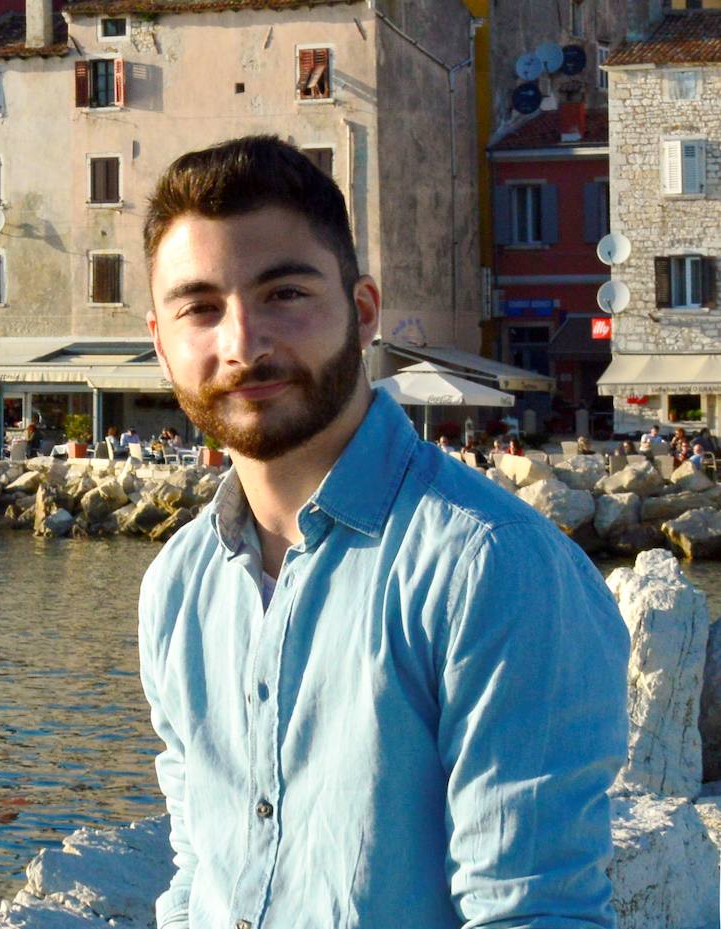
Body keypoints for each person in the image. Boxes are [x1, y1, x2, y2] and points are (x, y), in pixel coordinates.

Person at [138, 135, 626, 928]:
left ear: (363, 311)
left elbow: (535, 911)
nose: (243, 344)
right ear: (161, 342)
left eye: (284, 293)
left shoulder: (491, 569)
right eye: (200, 308)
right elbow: (200, 866)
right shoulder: (177, 586)